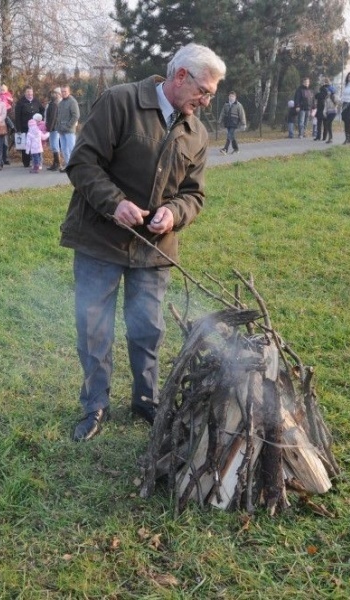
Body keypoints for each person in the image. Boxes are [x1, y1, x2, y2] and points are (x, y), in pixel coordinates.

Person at [60, 43, 226, 442]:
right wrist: (114, 204)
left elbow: (194, 194)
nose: (206, 102)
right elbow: (82, 163)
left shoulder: (197, 133)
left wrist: (175, 213)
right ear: (181, 76)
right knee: (94, 327)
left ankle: (146, 401)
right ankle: (95, 405)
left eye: (211, 95)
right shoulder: (120, 102)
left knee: (147, 328)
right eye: (204, 91)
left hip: (154, 248)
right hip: (99, 239)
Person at [14, 87, 43, 167]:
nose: (29, 94)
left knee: (35, 145)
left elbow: (42, 110)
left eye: (31, 92)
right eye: (28, 92)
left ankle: (36, 161)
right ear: (25, 93)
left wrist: (41, 120)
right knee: (26, 145)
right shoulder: (20, 103)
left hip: (36, 128)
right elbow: (17, 116)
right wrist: (18, 129)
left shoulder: (36, 101)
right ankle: (26, 162)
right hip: (25, 127)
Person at [55, 84, 80, 172]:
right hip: (61, 130)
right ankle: (68, 165)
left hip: (69, 130)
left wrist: (68, 126)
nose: (63, 93)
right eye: (62, 91)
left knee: (72, 148)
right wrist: (58, 126)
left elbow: (76, 116)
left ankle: (76, 167)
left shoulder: (73, 102)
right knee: (64, 149)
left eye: (65, 91)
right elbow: (58, 116)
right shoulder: (61, 103)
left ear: (69, 91)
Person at [45, 88, 62, 170]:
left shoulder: (55, 104)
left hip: (54, 128)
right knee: (53, 145)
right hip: (52, 127)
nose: (53, 95)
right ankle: (55, 163)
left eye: (55, 93)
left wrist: (50, 128)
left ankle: (58, 163)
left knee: (55, 145)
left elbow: (53, 117)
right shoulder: (51, 104)